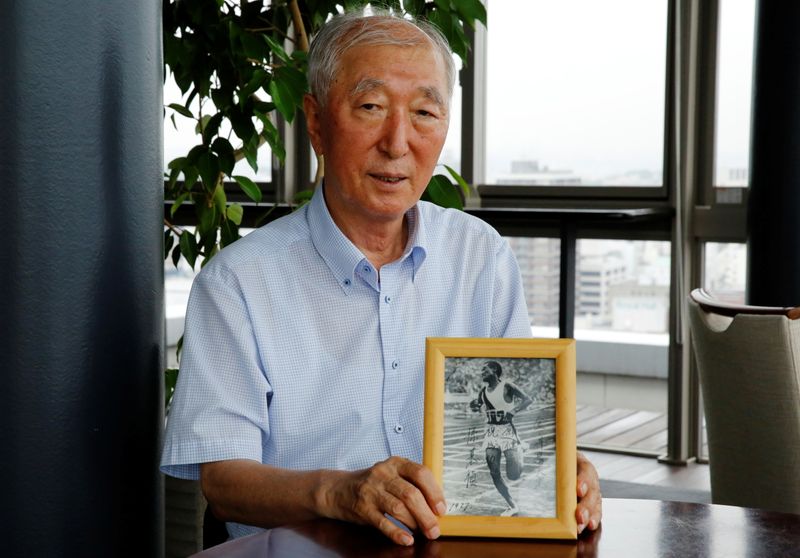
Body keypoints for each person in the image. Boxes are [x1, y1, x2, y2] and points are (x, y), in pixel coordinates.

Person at [161, 10, 602, 547]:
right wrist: (338, 492)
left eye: (424, 112)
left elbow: (511, 420)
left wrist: (556, 474)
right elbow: (224, 481)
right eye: (370, 107)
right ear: (317, 122)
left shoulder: (480, 257)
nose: (398, 143)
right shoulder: (238, 283)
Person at [469, 361, 533, 516]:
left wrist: (514, 411)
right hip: (491, 433)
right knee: (494, 472)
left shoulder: (507, 386)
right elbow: (477, 404)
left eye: (485, 369)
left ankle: (520, 451)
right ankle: (512, 505)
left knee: (513, 475)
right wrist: (474, 405)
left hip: (507, 432)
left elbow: (528, 399)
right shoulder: (483, 392)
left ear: (495, 370)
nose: (482, 372)